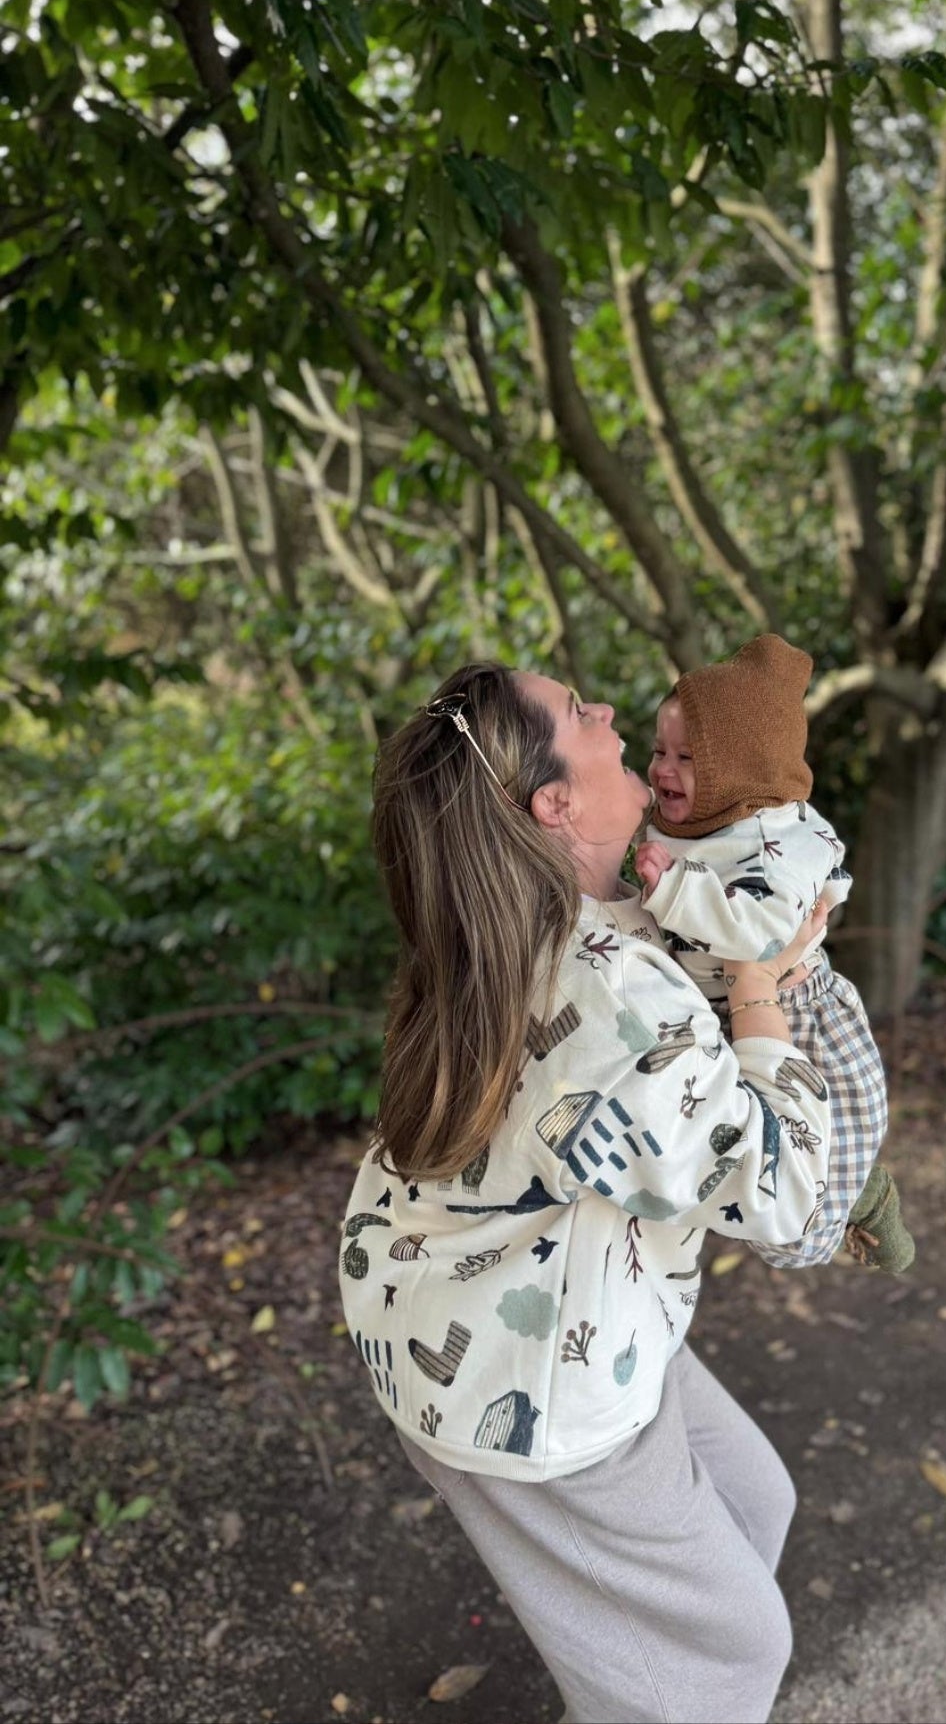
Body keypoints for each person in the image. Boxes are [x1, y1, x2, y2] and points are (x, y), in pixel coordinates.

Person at [340, 660, 833, 1724]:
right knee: (732, 1656)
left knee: (755, 1502)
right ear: (554, 804)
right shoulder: (606, 993)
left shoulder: (523, 920)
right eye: (579, 712)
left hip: (498, 1312)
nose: (608, 713)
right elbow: (785, 1200)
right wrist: (758, 994)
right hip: (528, 1386)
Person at [635, 633, 915, 1275]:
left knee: (814, 1188)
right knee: (768, 1185)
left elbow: (762, 934)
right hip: (733, 1021)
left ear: (744, 768)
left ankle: (869, 1201)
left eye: (685, 757)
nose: (661, 770)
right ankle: (863, 1199)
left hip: (800, 1016)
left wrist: (675, 890)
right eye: (658, 750)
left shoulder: (771, 842)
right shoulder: (704, 817)